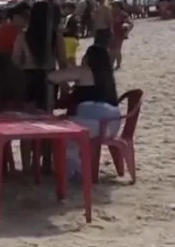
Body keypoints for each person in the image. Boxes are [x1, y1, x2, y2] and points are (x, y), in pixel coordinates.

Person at [46, 45, 121, 181]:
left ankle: (74, 171)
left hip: (93, 124)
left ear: (88, 58)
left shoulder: (85, 71)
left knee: (61, 131)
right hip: (112, 126)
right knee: (68, 125)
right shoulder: (107, 76)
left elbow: (52, 77)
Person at [12, 1, 68, 174]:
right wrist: (65, 85)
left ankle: (27, 166)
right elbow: (63, 63)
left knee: (26, 124)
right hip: (49, 81)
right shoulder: (55, 35)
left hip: (28, 80)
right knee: (47, 123)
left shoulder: (23, 35)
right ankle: (46, 163)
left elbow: (15, 62)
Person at [109, 2, 132, 70]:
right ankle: (111, 65)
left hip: (119, 35)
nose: (114, 8)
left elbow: (131, 24)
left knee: (117, 50)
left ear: (119, 7)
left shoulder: (123, 14)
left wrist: (126, 33)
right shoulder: (111, 13)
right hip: (111, 34)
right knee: (111, 51)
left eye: (116, 6)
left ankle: (118, 65)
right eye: (113, 6)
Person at [61, 2, 81, 66]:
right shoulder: (75, 17)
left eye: (65, 8)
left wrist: (59, 30)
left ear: (70, 9)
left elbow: (67, 29)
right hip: (73, 39)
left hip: (69, 39)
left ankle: (74, 72)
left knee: (69, 59)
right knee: (71, 58)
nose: (63, 10)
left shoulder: (69, 18)